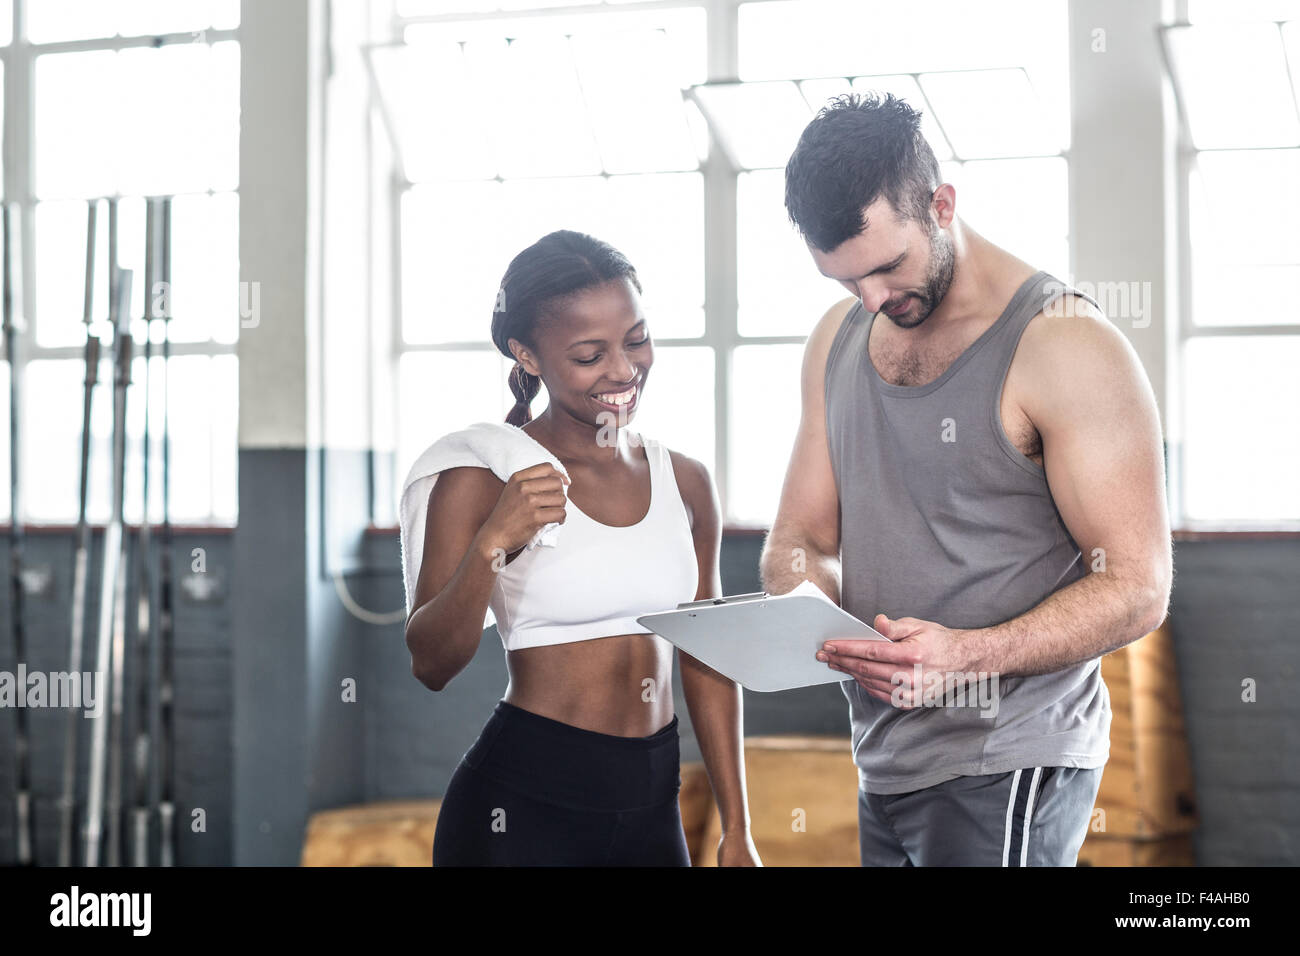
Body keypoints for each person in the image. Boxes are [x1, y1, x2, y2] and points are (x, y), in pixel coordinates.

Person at [761, 93, 1172, 866]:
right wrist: (803, 609)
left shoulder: (1065, 344)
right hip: (884, 758)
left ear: (942, 204)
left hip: (1010, 756)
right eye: (847, 281)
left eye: (888, 266)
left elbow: (1140, 587)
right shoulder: (838, 339)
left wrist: (967, 656)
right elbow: (803, 538)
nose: (875, 300)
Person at [406, 229, 760, 867]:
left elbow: (707, 657)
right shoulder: (484, 477)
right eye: (590, 354)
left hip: (653, 806)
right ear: (528, 355)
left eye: (636, 340)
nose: (624, 371)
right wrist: (493, 541)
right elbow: (431, 663)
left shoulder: (685, 481)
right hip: (521, 810)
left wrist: (738, 827)